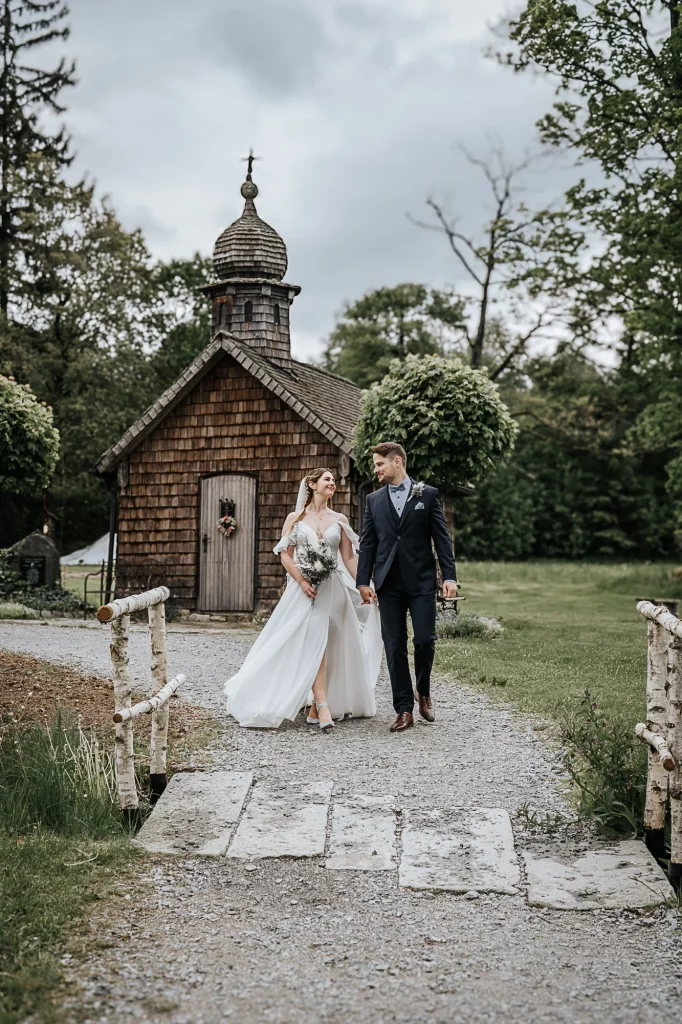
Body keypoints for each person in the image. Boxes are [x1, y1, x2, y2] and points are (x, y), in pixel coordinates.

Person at [224, 468, 382, 729]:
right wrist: (301, 579)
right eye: (327, 479)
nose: (332, 483)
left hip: (334, 589)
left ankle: (313, 707)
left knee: (331, 644)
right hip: (306, 590)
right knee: (314, 642)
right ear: (312, 484)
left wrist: (364, 584)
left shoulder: (339, 518)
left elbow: (349, 558)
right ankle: (322, 705)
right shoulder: (295, 518)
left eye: (333, 480)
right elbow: (285, 554)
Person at [356, 442, 458, 733]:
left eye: (379, 464)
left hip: (422, 581)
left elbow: (441, 539)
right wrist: (363, 581)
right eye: (375, 464)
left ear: (397, 461)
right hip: (388, 583)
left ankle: (422, 690)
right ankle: (404, 709)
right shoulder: (373, 500)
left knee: (425, 639)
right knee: (394, 646)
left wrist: (448, 577)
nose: (375, 469)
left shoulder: (427, 495)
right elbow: (368, 542)